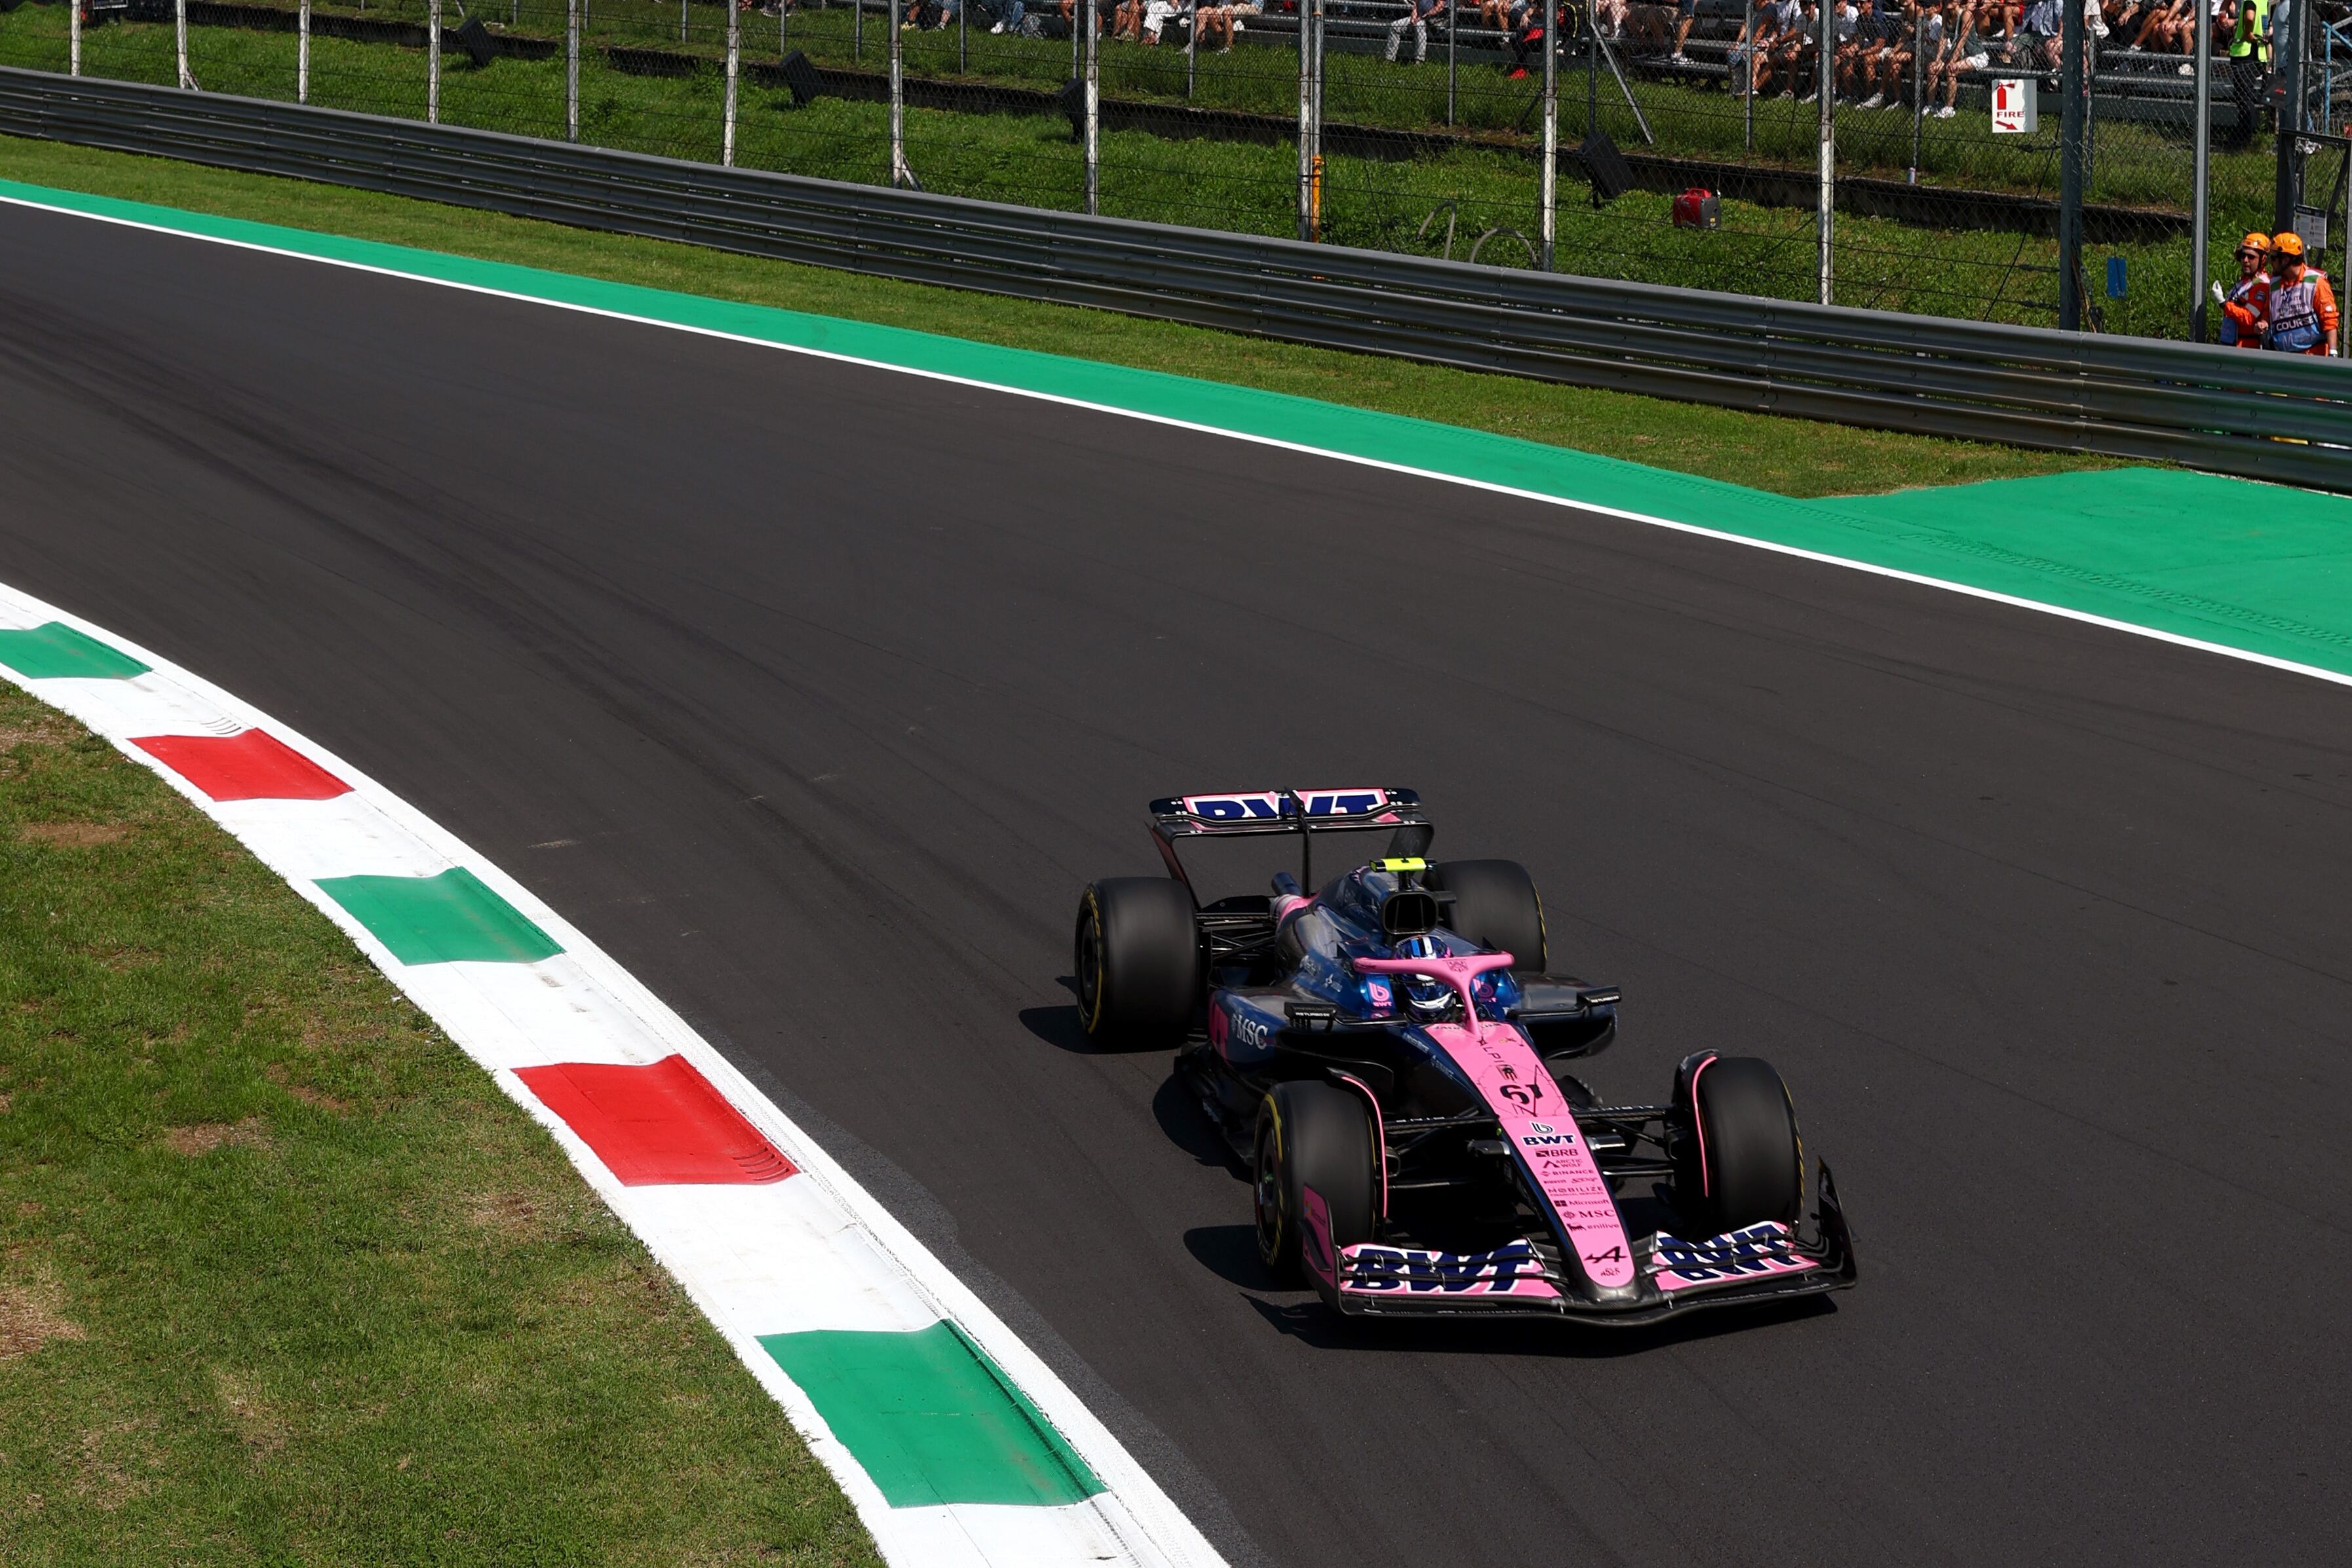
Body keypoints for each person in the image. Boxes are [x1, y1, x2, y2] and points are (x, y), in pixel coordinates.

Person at [2265, 232, 2341, 355]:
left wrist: (2333, 352)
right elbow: (2267, 312)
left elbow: (2329, 319)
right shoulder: (2274, 284)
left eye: (2273, 258)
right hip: (2282, 357)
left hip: (2313, 355)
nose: (2271, 262)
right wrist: (2263, 322)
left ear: (2285, 260)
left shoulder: (2316, 282)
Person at [2220, 0, 2267, 150]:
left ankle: (2244, 138)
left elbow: (2250, 17)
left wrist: (2247, 33)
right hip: (2258, 53)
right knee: (2245, 96)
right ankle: (2243, 135)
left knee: (2243, 98)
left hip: (2245, 54)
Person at [2212, 231, 2272, 347]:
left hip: (2246, 348)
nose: (2245, 260)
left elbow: (2249, 318)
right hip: (2233, 344)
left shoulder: (2262, 285)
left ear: (2263, 259)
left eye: (2251, 257)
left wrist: (2223, 304)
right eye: (2243, 256)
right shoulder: (2245, 282)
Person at [1386, 0, 1450, 61]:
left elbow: (1440, 7)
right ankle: (1389, 57)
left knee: (1419, 26)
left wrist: (1424, 16)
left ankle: (1419, 60)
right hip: (1419, 17)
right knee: (1394, 26)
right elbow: (1415, 5)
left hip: (1432, 20)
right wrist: (1414, 16)